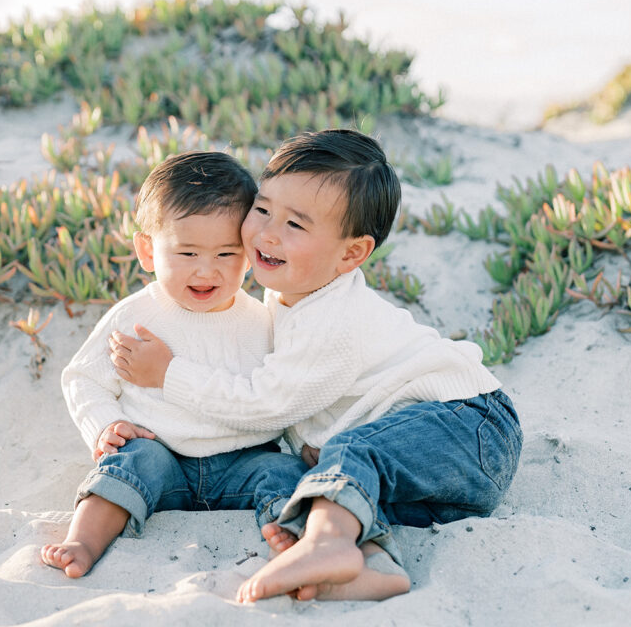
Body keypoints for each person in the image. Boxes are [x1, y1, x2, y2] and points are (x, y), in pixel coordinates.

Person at [109, 129, 523, 602]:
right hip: (432, 489)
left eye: (296, 226)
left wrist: (169, 375)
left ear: (351, 253)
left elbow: (267, 404)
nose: (266, 233)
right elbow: (304, 393)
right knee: (335, 469)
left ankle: (329, 546)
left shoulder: (333, 316)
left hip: (469, 425)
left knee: (352, 452)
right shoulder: (292, 294)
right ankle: (372, 563)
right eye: (262, 209)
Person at [41, 151, 306, 578]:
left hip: (242, 459)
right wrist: (106, 423)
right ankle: (83, 541)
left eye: (226, 254)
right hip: (162, 456)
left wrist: (305, 441)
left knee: (285, 471)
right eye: (187, 253)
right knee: (129, 461)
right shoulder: (138, 315)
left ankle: (292, 537)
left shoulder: (262, 321)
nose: (207, 271)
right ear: (147, 250)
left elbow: (283, 393)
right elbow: (83, 377)